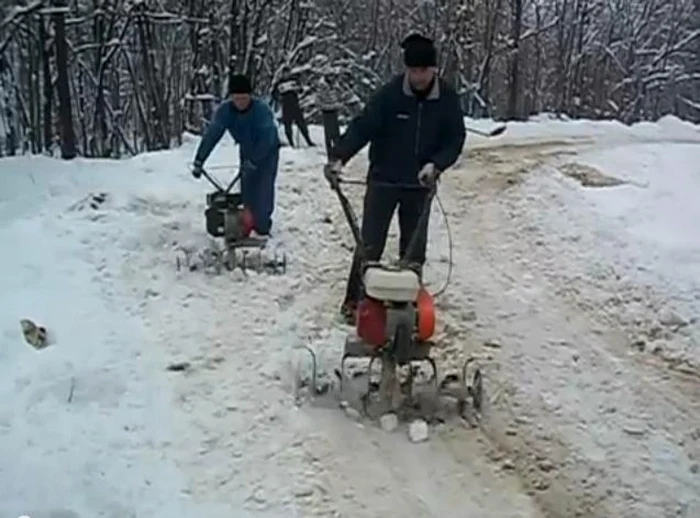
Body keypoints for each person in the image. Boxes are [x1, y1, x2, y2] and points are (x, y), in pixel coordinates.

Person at [324, 33, 466, 323]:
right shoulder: (390, 96)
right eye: (413, 71)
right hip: (383, 181)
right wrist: (339, 156)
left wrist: (436, 165)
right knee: (369, 245)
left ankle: (409, 303)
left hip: (420, 184)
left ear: (434, 69)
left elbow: (455, 139)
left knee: (413, 249)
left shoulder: (447, 99)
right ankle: (355, 301)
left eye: (423, 71)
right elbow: (362, 127)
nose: (418, 77)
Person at [191, 74, 280, 236]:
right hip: (246, 149)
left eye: (244, 98)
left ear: (250, 96)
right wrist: (199, 160)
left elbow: (268, 139)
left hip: (267, 152)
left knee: (263, 187)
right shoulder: (225, 111)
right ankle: (246, 221)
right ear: (231, 97)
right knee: (248, 189)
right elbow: (212, 134)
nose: (240, 102)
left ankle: (263, 223)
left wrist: (255, 160)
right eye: (236, 98)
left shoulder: (261, 111)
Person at [276, 78, 315, 147]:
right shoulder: (279, 83)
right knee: (288, 125)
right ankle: (291, 142)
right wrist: (279, 97)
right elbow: (275, 94)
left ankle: (308, 140)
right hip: (286, 107)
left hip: (295, 106)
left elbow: (300, 90)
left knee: (301, 124)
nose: (286, 75)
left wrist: (298, 89)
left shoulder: (293, 80)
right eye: (285, 73)